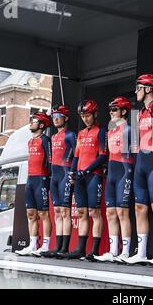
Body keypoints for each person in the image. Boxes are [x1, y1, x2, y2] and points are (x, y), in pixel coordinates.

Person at [125, 74, 153, 266]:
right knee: (139, 207)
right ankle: (141, 253)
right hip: (140, 163)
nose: (136, 92)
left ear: (149, 89)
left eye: (138, 88)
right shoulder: (140, 112)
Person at [66, 100, 107, 260]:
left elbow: (103, 156)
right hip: (80, 176)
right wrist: (72, 173)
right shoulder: (81, 133)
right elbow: (76, 156)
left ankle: (94, 251)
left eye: (88, 115)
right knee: (82, 212)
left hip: (93, 176)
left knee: (94, 213)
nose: (85, 119)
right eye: (83, 116)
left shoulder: (101, 131)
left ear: (95, 114)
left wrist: (87, 170)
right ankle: (80, 249)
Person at [95, 96, 134, 263]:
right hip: (111, 172)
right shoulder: (110, 130)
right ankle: (113, 251)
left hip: (125, 171)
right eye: (110, 109)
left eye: (115, 109)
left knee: (122, 212)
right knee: (110, 213)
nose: (111, 112)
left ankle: (125, 252)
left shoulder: (130, 130)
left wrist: (131, 174)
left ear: (124, 111)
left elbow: (136, 154)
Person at [41, 105, 77, 259]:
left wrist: (73, 173)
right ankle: (57, 246)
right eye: (54, 116)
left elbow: (77, 154)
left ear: (66, 118)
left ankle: (64, 247)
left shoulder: (70, 135)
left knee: (65, 211)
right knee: (56, 212)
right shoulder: (53, 137)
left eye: (59, 116)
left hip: (65, 174)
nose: (55, 118)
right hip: (54, 176)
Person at [16, 112, 52, 256]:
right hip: (30, 179)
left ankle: (46, 245)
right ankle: (32, 245)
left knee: (43, 213)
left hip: (41, 178)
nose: (31, 123)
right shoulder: (30, 141)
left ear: (42, 125)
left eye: (34, 121)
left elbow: (50, 161)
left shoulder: (45, 140)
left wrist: (49, 179)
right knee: (31, 213)